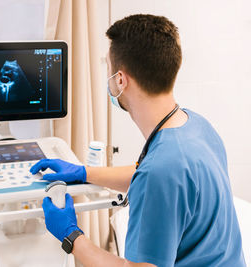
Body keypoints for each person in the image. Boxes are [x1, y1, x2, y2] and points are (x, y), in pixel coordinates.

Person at [30, 14, 246, 267]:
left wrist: (71, 236)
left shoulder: (161, 170)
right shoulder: (196, 126)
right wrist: (83, 172)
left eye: (108, 69)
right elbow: (149, 175)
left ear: (120, 80)